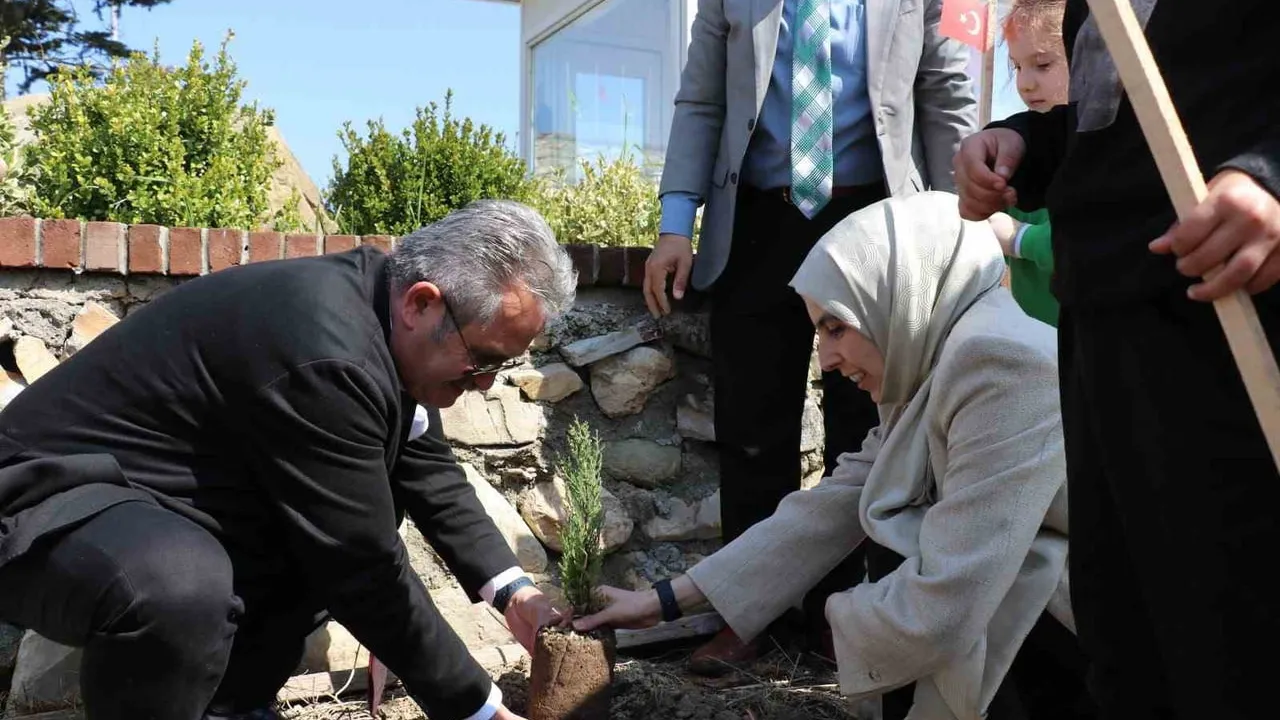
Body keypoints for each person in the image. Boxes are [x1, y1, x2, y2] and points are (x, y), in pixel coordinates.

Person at [0, 200, 574, 720]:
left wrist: (514, 594)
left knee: (309, 536)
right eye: (483, 360)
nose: (486, 382)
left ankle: (230, 707)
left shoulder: (387, 319)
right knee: (180, 582)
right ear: (421, 303)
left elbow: (429, 473)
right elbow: (363, 565)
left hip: (148, 498)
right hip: (42, 499)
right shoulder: (328, 352)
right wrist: (479, 709)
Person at [581, 192, 1094, 720]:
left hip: (1065, 659)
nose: (825, 359)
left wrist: (838, 615)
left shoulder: (996, 361)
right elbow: (835, 502)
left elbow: (956, 594)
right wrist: (664, 601)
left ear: (898, 294)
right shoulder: (940, 356)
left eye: (836, 327)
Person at [953, 1, 1280, 717]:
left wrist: (1270, 176)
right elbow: (1112, 128)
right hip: (1103, 322)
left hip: (1231, 322)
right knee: (1128, 634)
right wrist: (1022, 143)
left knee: (1236, 642)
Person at [643, 0, 978, 670]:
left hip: (877, 222)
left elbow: (945, 91)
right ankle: (750, 615)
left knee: (868, 429)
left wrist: (963, 225)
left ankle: (844, 613)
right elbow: (701, 101)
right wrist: (676, 224)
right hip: (756, 224)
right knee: (750, 432)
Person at [987, 0, 1068, 327]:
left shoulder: (1101, 150)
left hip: (1080, 339)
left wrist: (1019, 239)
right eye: (1018, 67)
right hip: (1029, 337)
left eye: (1043, 65)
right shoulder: (1018, 150)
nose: (1024, 83)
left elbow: (1090, 235)